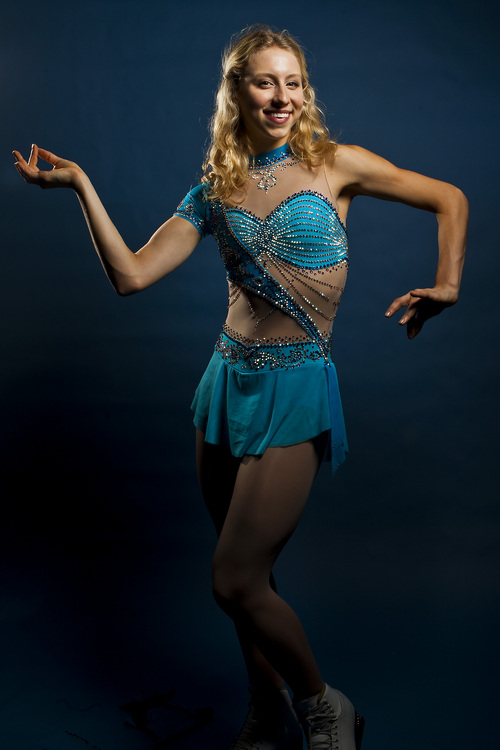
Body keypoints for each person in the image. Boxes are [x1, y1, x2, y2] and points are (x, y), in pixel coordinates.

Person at [13, 23, 467, 750]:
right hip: (226, 387)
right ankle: (265, 710)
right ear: (237, 92)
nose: (281, 95)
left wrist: (447, 284)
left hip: (297, 390)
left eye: (292, 81)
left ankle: (323, 706)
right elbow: (130, 276)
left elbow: (449, 197)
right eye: (265, 81)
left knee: (233, 580)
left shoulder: (335, 166)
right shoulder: (213, 192)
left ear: (304, 90)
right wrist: (80, 186)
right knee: (249, 578)